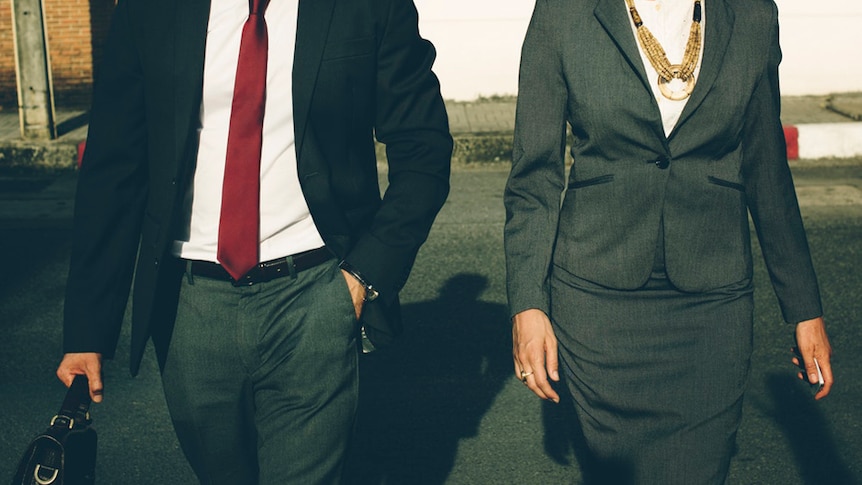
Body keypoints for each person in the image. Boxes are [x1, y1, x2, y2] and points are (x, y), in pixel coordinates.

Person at [55, 0, 452, 482]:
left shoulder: (365, 7)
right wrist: (87, 330)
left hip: (315, 295)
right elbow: (114, 168)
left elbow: (423, 147)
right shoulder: (152, 10)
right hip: (189, 307)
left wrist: (363, 277)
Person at [504, 0, 833, 482]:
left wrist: (805, 309)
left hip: (711, 308)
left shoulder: (753, 16)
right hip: (598, 303)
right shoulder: (564, 13)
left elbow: (767, 171)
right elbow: (534, 177)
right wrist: (527, 304)